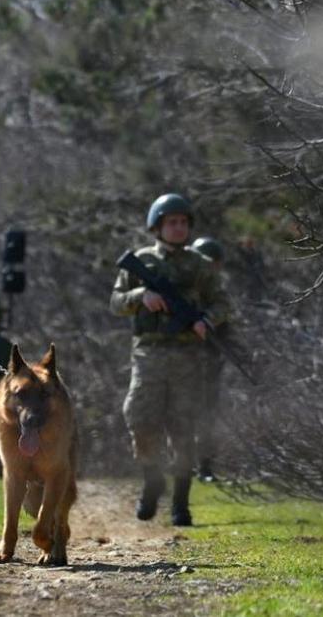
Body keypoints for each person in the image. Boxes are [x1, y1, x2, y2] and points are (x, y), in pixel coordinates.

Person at [109, 194, 229, 526]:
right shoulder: (141, 261)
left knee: (183, 428)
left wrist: (207, 321)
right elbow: (116, 302)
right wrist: (140, 297)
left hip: (188, 355)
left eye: (183, 222)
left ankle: (180, 503)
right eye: (171, 222)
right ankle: (152, 479)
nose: (178, 228)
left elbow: (222, 302)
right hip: (148, 352)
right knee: (140, 418)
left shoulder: (200, 265)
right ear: (158, 226)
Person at [189, 236, 226, 483]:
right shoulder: (185, 290)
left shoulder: (217, 294)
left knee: (207, 415)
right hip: (181, 360)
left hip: (210, 361)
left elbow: (225, 318)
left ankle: (205, 465)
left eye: (214, 263)